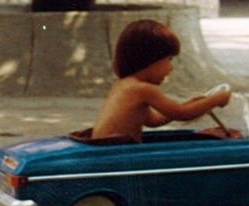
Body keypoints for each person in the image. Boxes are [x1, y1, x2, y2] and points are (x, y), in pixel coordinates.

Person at [89, 19, 232, 142]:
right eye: (168, 59)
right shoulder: (141, 89)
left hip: (110, 151)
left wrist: (189, 103)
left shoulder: (125, 84)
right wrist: (215, 100)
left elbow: (153, 120)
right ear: (150, 59)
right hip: (114, 154)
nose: (171, 68)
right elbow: (181, 114)